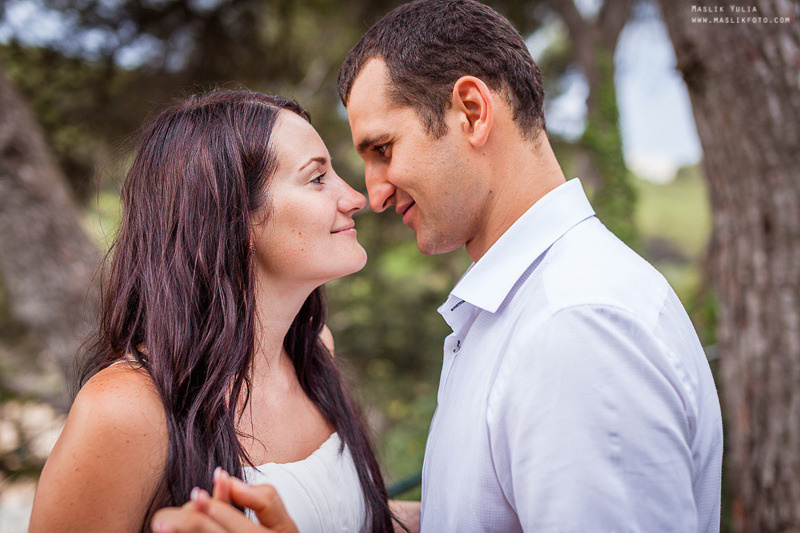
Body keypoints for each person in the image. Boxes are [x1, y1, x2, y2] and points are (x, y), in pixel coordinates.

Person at [153, 0, 724, 531]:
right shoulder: (534, 308)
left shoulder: (574, 328)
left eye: (383, 150)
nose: (372, 195)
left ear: (472, 112)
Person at [28, 90, 401, 533]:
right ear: (231, 217)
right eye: (317, 179)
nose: (356, 197)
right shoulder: (125, 408)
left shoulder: (315, 353)